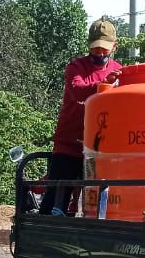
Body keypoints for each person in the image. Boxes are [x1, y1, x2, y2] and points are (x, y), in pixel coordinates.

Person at [42, 19, 123, 216]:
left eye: (104, 49)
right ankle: (42, 234)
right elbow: (78, 91)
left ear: (114, 46)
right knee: (57, 195)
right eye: (95, 49)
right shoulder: (76, 67)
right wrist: (105, 83)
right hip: (69, 144)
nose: (100, 53)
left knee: (95, 199)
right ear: (89, 46)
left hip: (100, 148)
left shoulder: (119, 69)